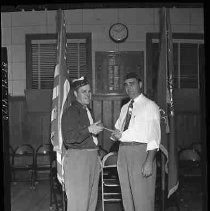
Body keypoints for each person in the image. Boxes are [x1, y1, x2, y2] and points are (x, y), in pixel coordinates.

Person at [111, 72, 161, 211]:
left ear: (140, 84)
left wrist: (149, 161)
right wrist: (116, 135)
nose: (129, 88)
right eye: (126, 85)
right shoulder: (125, 107)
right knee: (127, 198)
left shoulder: (150, 106)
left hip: (141, 153)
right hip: (123, 152)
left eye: (132, 84)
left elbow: (154, 137)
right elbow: (119, 129)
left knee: (142, 199)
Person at [61, 76, 104, 211]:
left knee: (91, 202)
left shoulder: (88, 111)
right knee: (78, 204)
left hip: (92, 158)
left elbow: (87, 136)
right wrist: (89, 129)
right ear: (75, 94)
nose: (88, 94)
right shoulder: (71, 112)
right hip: (78, 159)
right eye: (83, 91)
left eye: (89, 91)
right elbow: (69, 138)